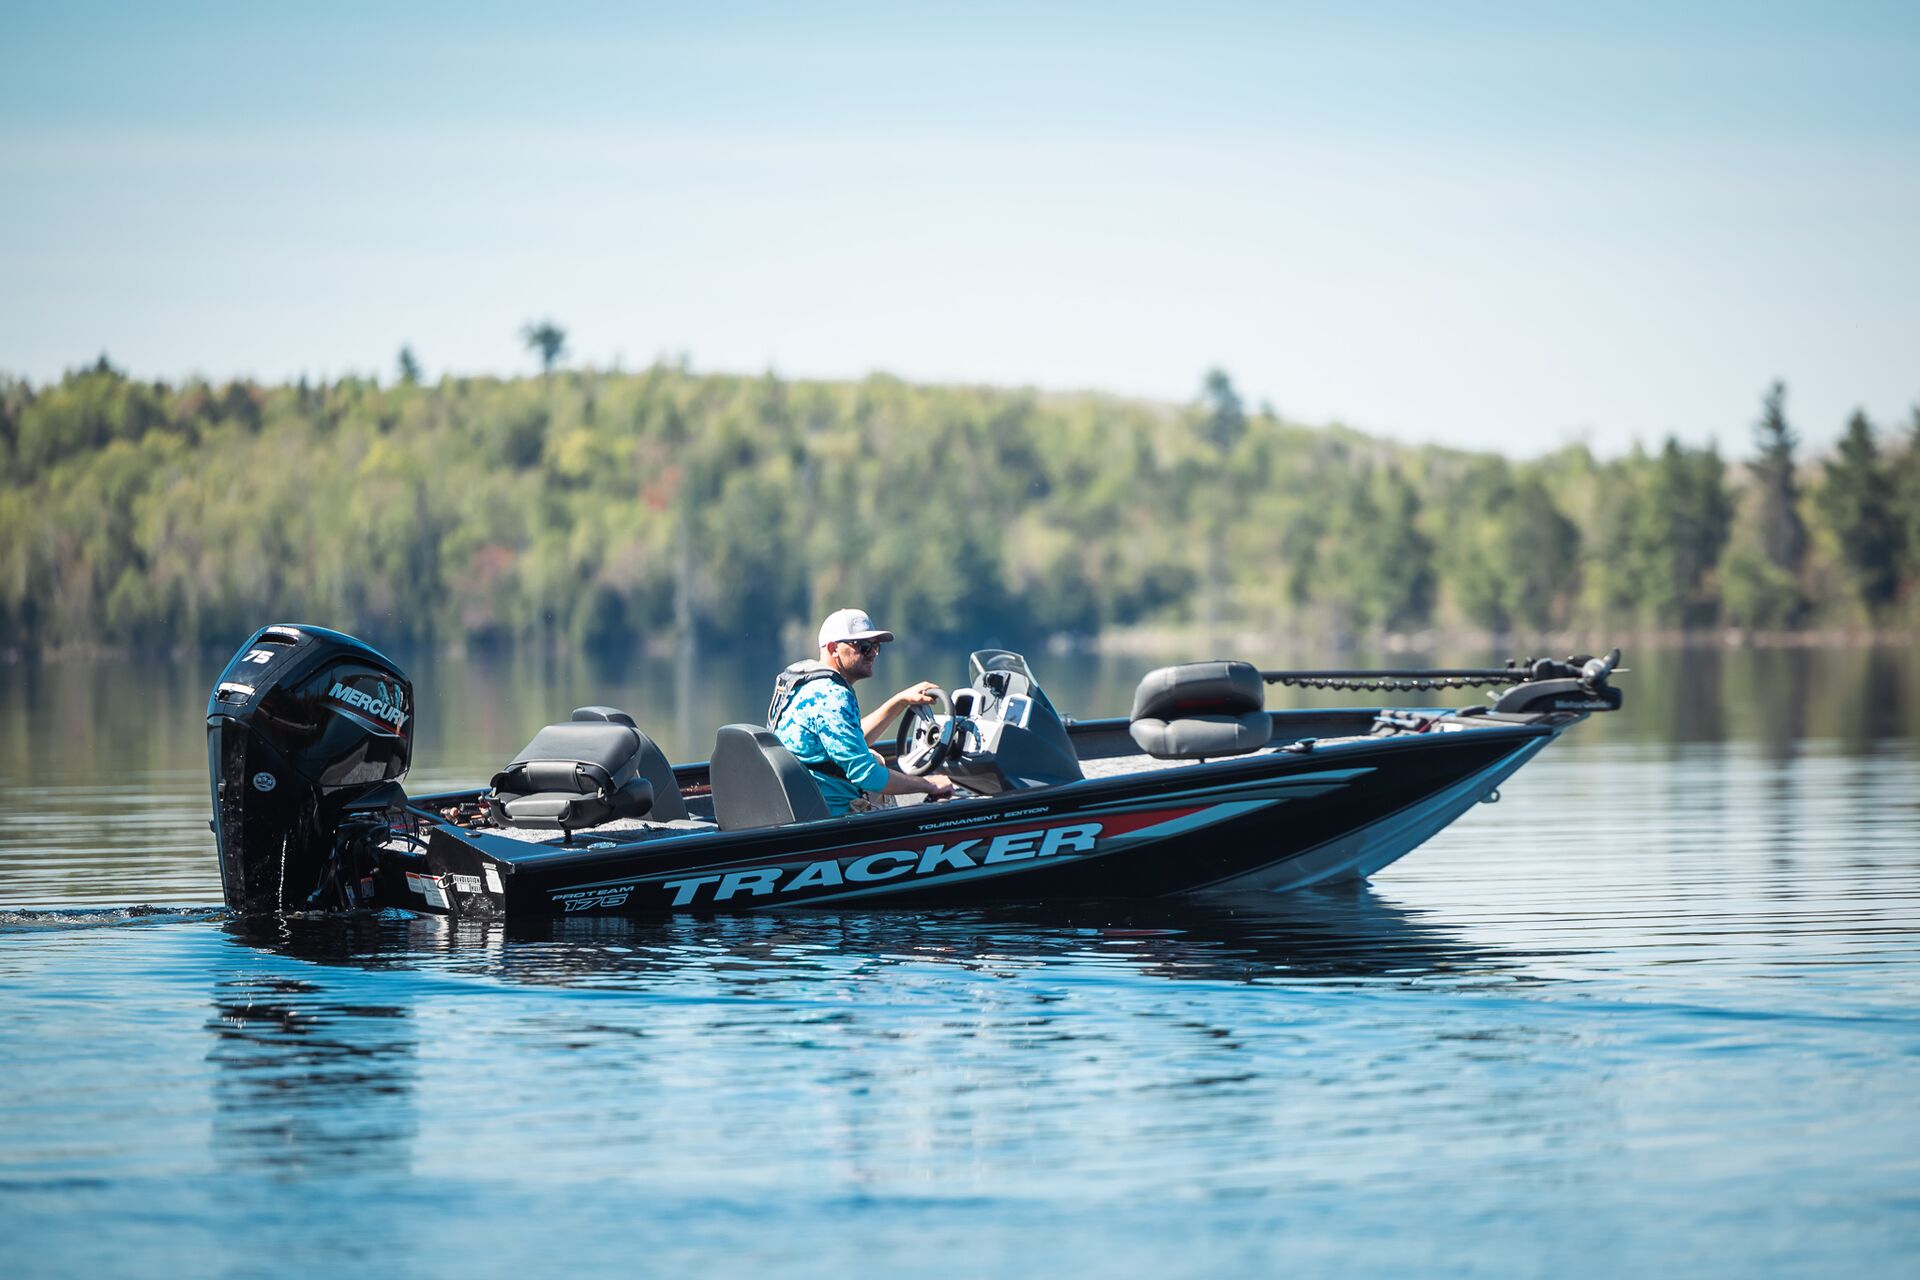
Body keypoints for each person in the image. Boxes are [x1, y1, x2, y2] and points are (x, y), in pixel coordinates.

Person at [769, 608, 955, 816]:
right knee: (877, 765)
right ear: (833, 649)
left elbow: (848, 740)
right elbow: (867, 776)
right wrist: (928, 785)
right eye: (864, 647)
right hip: (831, 815)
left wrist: (899, 702)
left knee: (875, 759)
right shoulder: (832, 696)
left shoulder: (804, 685)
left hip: (799, 804)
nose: (873, 653)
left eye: (876, 646)